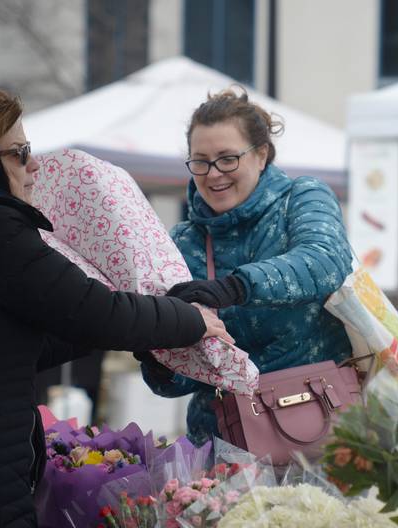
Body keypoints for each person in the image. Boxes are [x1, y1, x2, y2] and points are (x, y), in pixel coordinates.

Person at [0, 90, 232, 527]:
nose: (34, 166)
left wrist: (139, 329)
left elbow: (23, 341)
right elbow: (96, 310)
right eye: (20, 153)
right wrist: (188, 319)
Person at [136, 87, 354, 445]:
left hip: (320, 424)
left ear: (261, 154)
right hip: (223, 442)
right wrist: (155, 348)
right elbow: (182, 382)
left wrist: (235, 286)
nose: (213, 173)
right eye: (201, 161)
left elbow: (326, 260)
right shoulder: (181, 241)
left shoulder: (302, 197)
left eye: (227, 158)